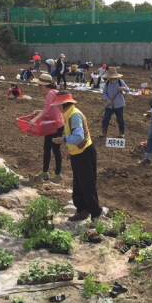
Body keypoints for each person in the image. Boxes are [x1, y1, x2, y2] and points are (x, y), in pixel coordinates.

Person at [50, 91, 105, 222]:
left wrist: (62, 140)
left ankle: (96, 214)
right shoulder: (68, 114)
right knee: (78, 184)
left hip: (85, 153)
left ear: (64, 104)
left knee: (87, 185)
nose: (57, 107)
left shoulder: (74, 115)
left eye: (58, 105)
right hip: (78, 153)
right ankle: (82, 210)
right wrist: (71, 151)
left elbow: (79, 136)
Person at [30, 74, 65, 182]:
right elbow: (50, 109)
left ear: (43, 85)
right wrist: (39, 111)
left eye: (39, 85)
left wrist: (34, 120)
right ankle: (45, 172)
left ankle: (58, 174)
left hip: (56, 125)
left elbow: (46, 110)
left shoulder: (50, 93)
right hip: (53, 124)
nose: (38, 87)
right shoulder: (54, 92)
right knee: (47, 148)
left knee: (55, 149)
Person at [100, 67, 130, 138]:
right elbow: (104, 93)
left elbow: (128, 90)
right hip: (109, 105)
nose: (111, 78)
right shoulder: (107, 83)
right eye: (110, 77)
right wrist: (107, 99)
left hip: (119, 104)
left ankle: (121, 132)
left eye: (112, 76)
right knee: (106, 118)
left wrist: (123, 88)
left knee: (120, 119)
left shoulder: (120, 82)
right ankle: (104, 132)